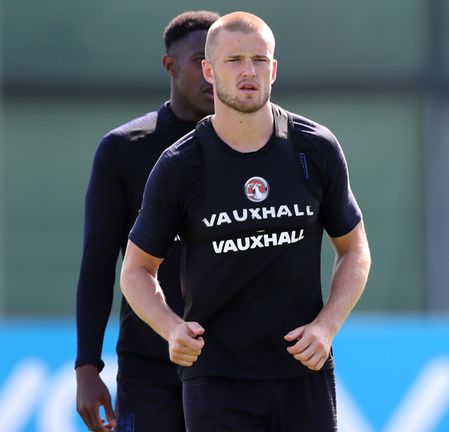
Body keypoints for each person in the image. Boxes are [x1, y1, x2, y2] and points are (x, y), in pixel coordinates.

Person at [120, 11, 371, 432]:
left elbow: (355, 249)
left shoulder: (315, 148)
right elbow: (136, 269)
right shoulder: (180, 165)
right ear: (209, 70)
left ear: (274, 69)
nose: (248, 71)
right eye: (234, 60)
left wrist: (326, 327)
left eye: (259, 59)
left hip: (303, 373)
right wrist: (171, 329)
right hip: (217, 378)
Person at [74, 10, 220, 432]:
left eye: (219, 61)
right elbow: (99, 263)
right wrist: (87, 365)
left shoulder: (256, 147)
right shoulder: (124, 149)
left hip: (232, 369)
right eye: (199, 61)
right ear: (169, 65)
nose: (212, 74)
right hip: (148, 369)